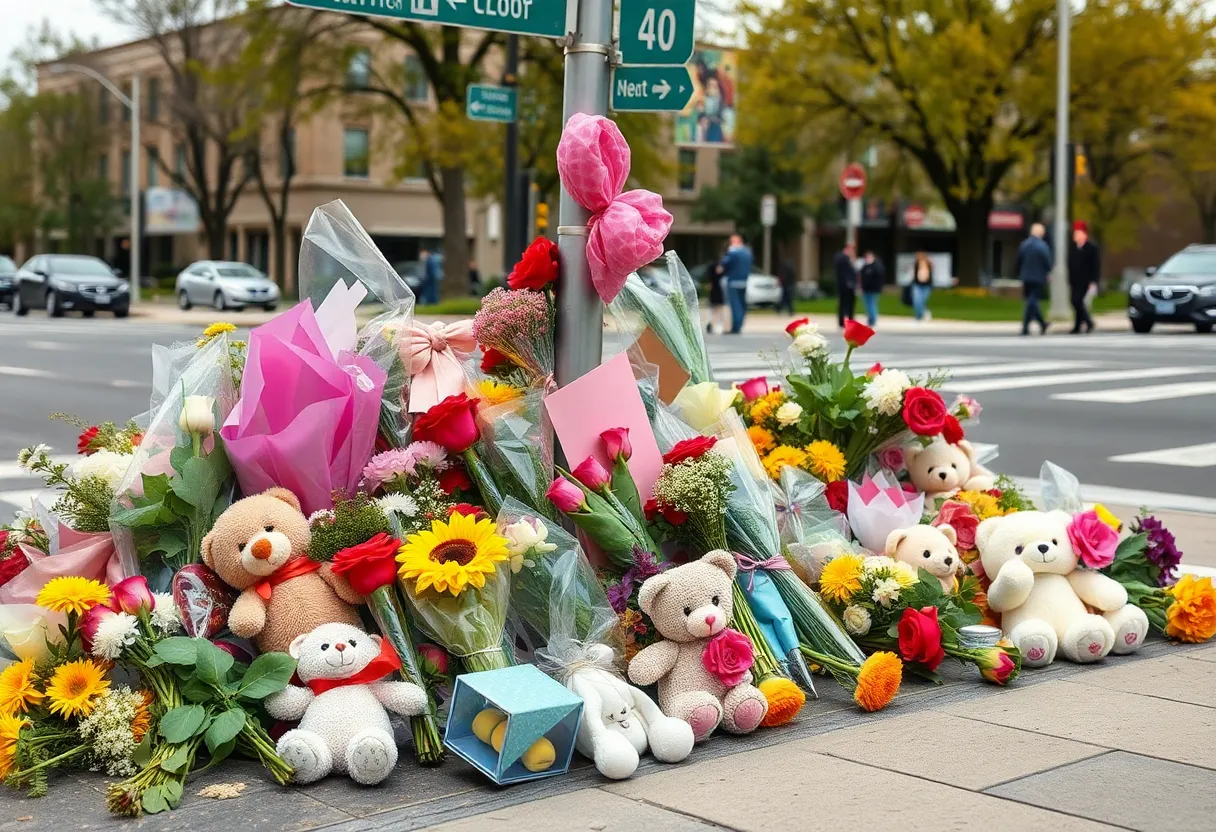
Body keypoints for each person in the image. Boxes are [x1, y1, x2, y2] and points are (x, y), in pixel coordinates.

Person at [1016, 223, 1053, 335]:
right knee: (1033, 301)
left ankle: (1041, 323)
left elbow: (1019, 260)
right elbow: (1047, 262)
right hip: (1038, 277)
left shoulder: (1024, 245)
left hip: (1026, 276)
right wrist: (1048, 273)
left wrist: (1019, 272)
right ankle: (1026, 327)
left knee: (1031, 301)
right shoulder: (1043, 246)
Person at [1068, 220, 1100, 334]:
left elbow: (1095, 265)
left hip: (1086, 281)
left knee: (1078, 301)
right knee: (1075, 301)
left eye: (1077, 233)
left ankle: (1087, 321)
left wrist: (1093, 281)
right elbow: (1070, 264)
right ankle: (1079, 325)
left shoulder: (1091, 247)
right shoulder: (1073, 248)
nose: (1075, 236)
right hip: (1075, 280)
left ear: (1083, 234)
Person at [719, 233, 754, 334]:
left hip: (733, 281)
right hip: (744, 281)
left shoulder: (733, 251)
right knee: (742, 304)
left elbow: (724, 264)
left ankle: (736, 327)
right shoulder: (748, 252)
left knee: (735, 305)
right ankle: (740, 324)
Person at [833, 242, 858, 327]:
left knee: (849, 303)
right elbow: (844, 273)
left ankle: (849, 320)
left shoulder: (847, 258)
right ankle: (844, 321)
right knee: (845, 304)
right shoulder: (842, 258)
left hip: (848, 285)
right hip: (845, 285)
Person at [859, 250, 885, 327]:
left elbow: (880, 278)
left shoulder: (877, 266)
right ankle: (870, 318)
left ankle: (872, 319)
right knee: (867, 305)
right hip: (866, 289)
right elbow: (861, 277)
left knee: (872, 304)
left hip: (874, 289)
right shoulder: (865, 267)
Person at [706, 250, 728, 335]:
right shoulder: (721, 265)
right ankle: (715, 323)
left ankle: (712, 323)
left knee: (715, 307)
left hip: (716, 288)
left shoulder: (712, 265)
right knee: (718, 307)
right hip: (719, 288)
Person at [911, 251, 933, 321]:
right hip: (917, 285)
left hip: (926, 286)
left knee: (922, 301)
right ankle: (918, 315)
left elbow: (929, 277)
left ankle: (923, 313)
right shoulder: (916, 265)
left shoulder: (928, 265)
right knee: (917, 301)